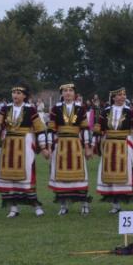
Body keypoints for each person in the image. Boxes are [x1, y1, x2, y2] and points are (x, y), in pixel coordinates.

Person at [0, 85, 48, 218]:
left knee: (27, 174)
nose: (15, 95)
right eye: (13, 92)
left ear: (24, 96)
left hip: (25, 144)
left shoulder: (31, 110)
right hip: (7, 145)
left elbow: (39, 129)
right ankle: (13, 207)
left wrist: (43, 147)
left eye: (18, 93)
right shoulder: (5, 109)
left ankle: (36, 206)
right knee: (8, 177)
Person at [93, 87, 133, 214]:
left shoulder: (130, 112)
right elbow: (98, 129)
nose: (123, 97)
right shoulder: (105, 111)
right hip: (109, 147)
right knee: (111, 175)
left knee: (128, 174)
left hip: (125, 145)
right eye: (119, 95)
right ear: (113, 97)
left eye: (124, 94)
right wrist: (93, 145)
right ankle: (115, 205)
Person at [46, 83, 93, 216]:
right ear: (62, 94)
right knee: (61, 176)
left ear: (74, 93)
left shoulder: (81, 109)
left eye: (70, 90)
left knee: (79, 175)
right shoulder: (56, 109)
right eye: (65, 91)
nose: (68, 93)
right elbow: (51, 129)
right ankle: (63, 205)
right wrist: (49, 147)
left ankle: (84, 204)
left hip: (76, 145)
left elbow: (85, 129)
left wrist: (87, 147)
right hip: (60, 145)